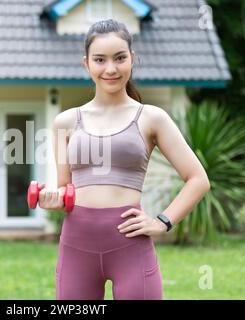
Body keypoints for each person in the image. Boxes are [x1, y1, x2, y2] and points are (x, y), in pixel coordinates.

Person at [38, 19, 211, 300]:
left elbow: (198, 179)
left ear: (132, 59)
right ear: (86, 64)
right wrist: (52, 199)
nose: (110, 68)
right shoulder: (65, 122)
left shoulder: (151, 117)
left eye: (119, 58)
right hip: (76, 248)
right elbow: (65, 191)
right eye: (100, 60)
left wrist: (162, 221)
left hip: (130, 248)